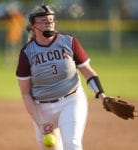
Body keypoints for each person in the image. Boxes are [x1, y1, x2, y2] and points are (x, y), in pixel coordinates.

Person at [16, 4, 106, 150]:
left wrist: (101, 95)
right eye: (44, 20)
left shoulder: (68, 42)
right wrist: (40, 122)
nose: (49, 23)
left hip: (71, 100)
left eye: (51, 20)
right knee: (51, 148)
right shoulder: (27, 52)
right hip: (42, 108)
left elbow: (87, 71)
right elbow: (25, 93)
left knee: (73, 144)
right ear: (33, 25)